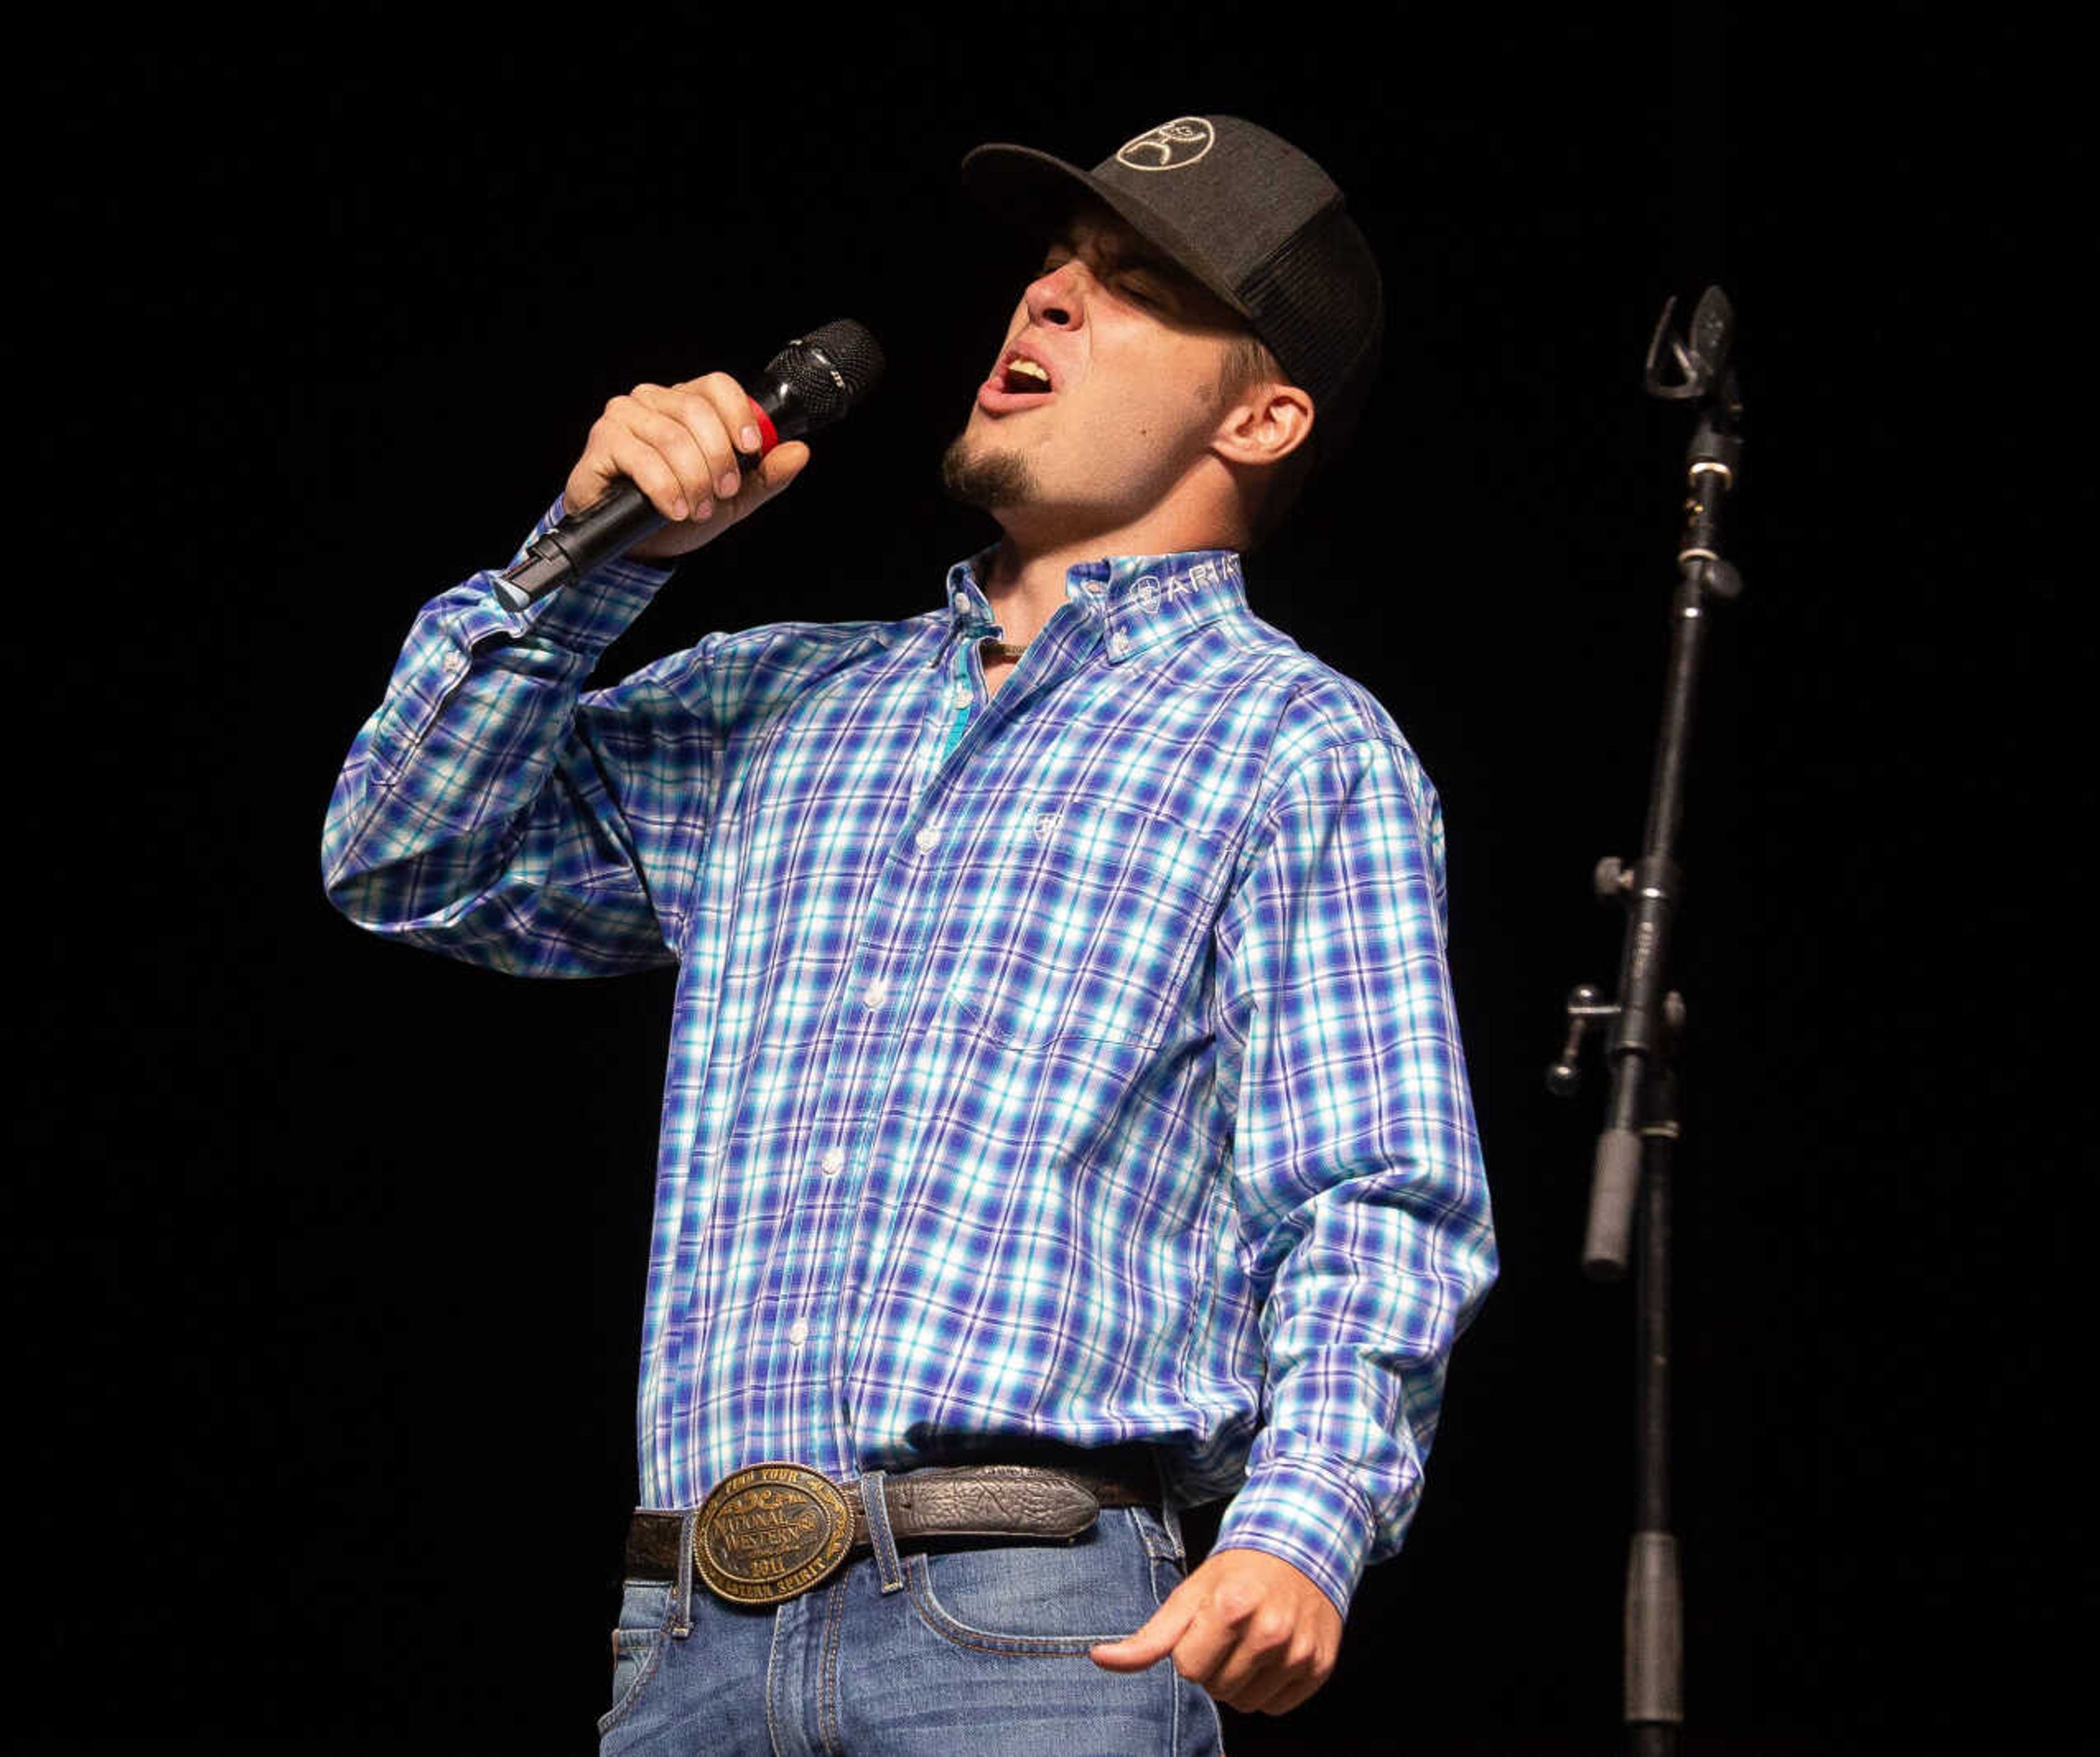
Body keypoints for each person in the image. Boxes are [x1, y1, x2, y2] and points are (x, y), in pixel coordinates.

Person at [320, 113, 1497, 1755]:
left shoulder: (1293, 744)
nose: (1050, 304)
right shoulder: (779, 696)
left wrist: (1305, 1519)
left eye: (1134, 287)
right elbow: (406, 857)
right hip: (685, 1633)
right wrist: (586, 565)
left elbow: (1373, 1190)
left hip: (1033, 1629)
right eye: (1053, 270)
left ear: (1264, 412)